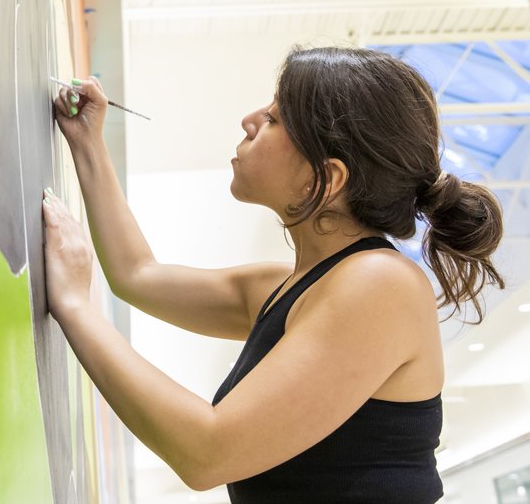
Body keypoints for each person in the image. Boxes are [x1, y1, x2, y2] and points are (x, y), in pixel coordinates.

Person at [42, 46, 505, 503]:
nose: (249, 121)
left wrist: (76, 307)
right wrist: (87, 142)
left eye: (274, 120)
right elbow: (137, 275)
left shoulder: (380, 284)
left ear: (326, 177)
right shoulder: (290, 287)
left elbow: (207, 453)